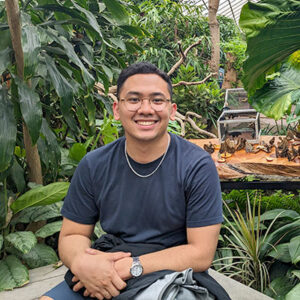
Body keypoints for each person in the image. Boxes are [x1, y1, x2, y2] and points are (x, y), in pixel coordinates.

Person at [41, 62, 224, 300]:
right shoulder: (94, 164)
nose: (146, 109)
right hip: (109, 261)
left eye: (157, 100)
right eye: (134, 99)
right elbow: (71, 235)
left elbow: (201, 253)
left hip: (171, 271)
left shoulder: (196, 165)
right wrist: (82, 263)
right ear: (117, 109)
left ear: (172, 109)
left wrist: (129, 267)